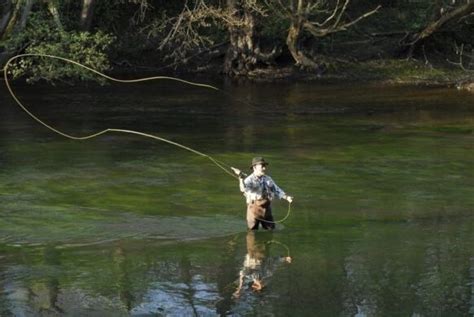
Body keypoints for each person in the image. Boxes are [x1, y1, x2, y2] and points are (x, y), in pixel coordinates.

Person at [231, 157, 293, 230]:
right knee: (252, 232)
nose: (264, 168)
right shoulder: (249, 179)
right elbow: (243, 189)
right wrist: (241, 178)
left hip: (266, 208)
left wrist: (287, 197)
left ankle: (269, 241)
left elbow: (276, 190)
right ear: (254, 167)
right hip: (253, 209)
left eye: (264, 166)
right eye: (262, 166)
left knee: (271, 229)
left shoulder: (268, 178)